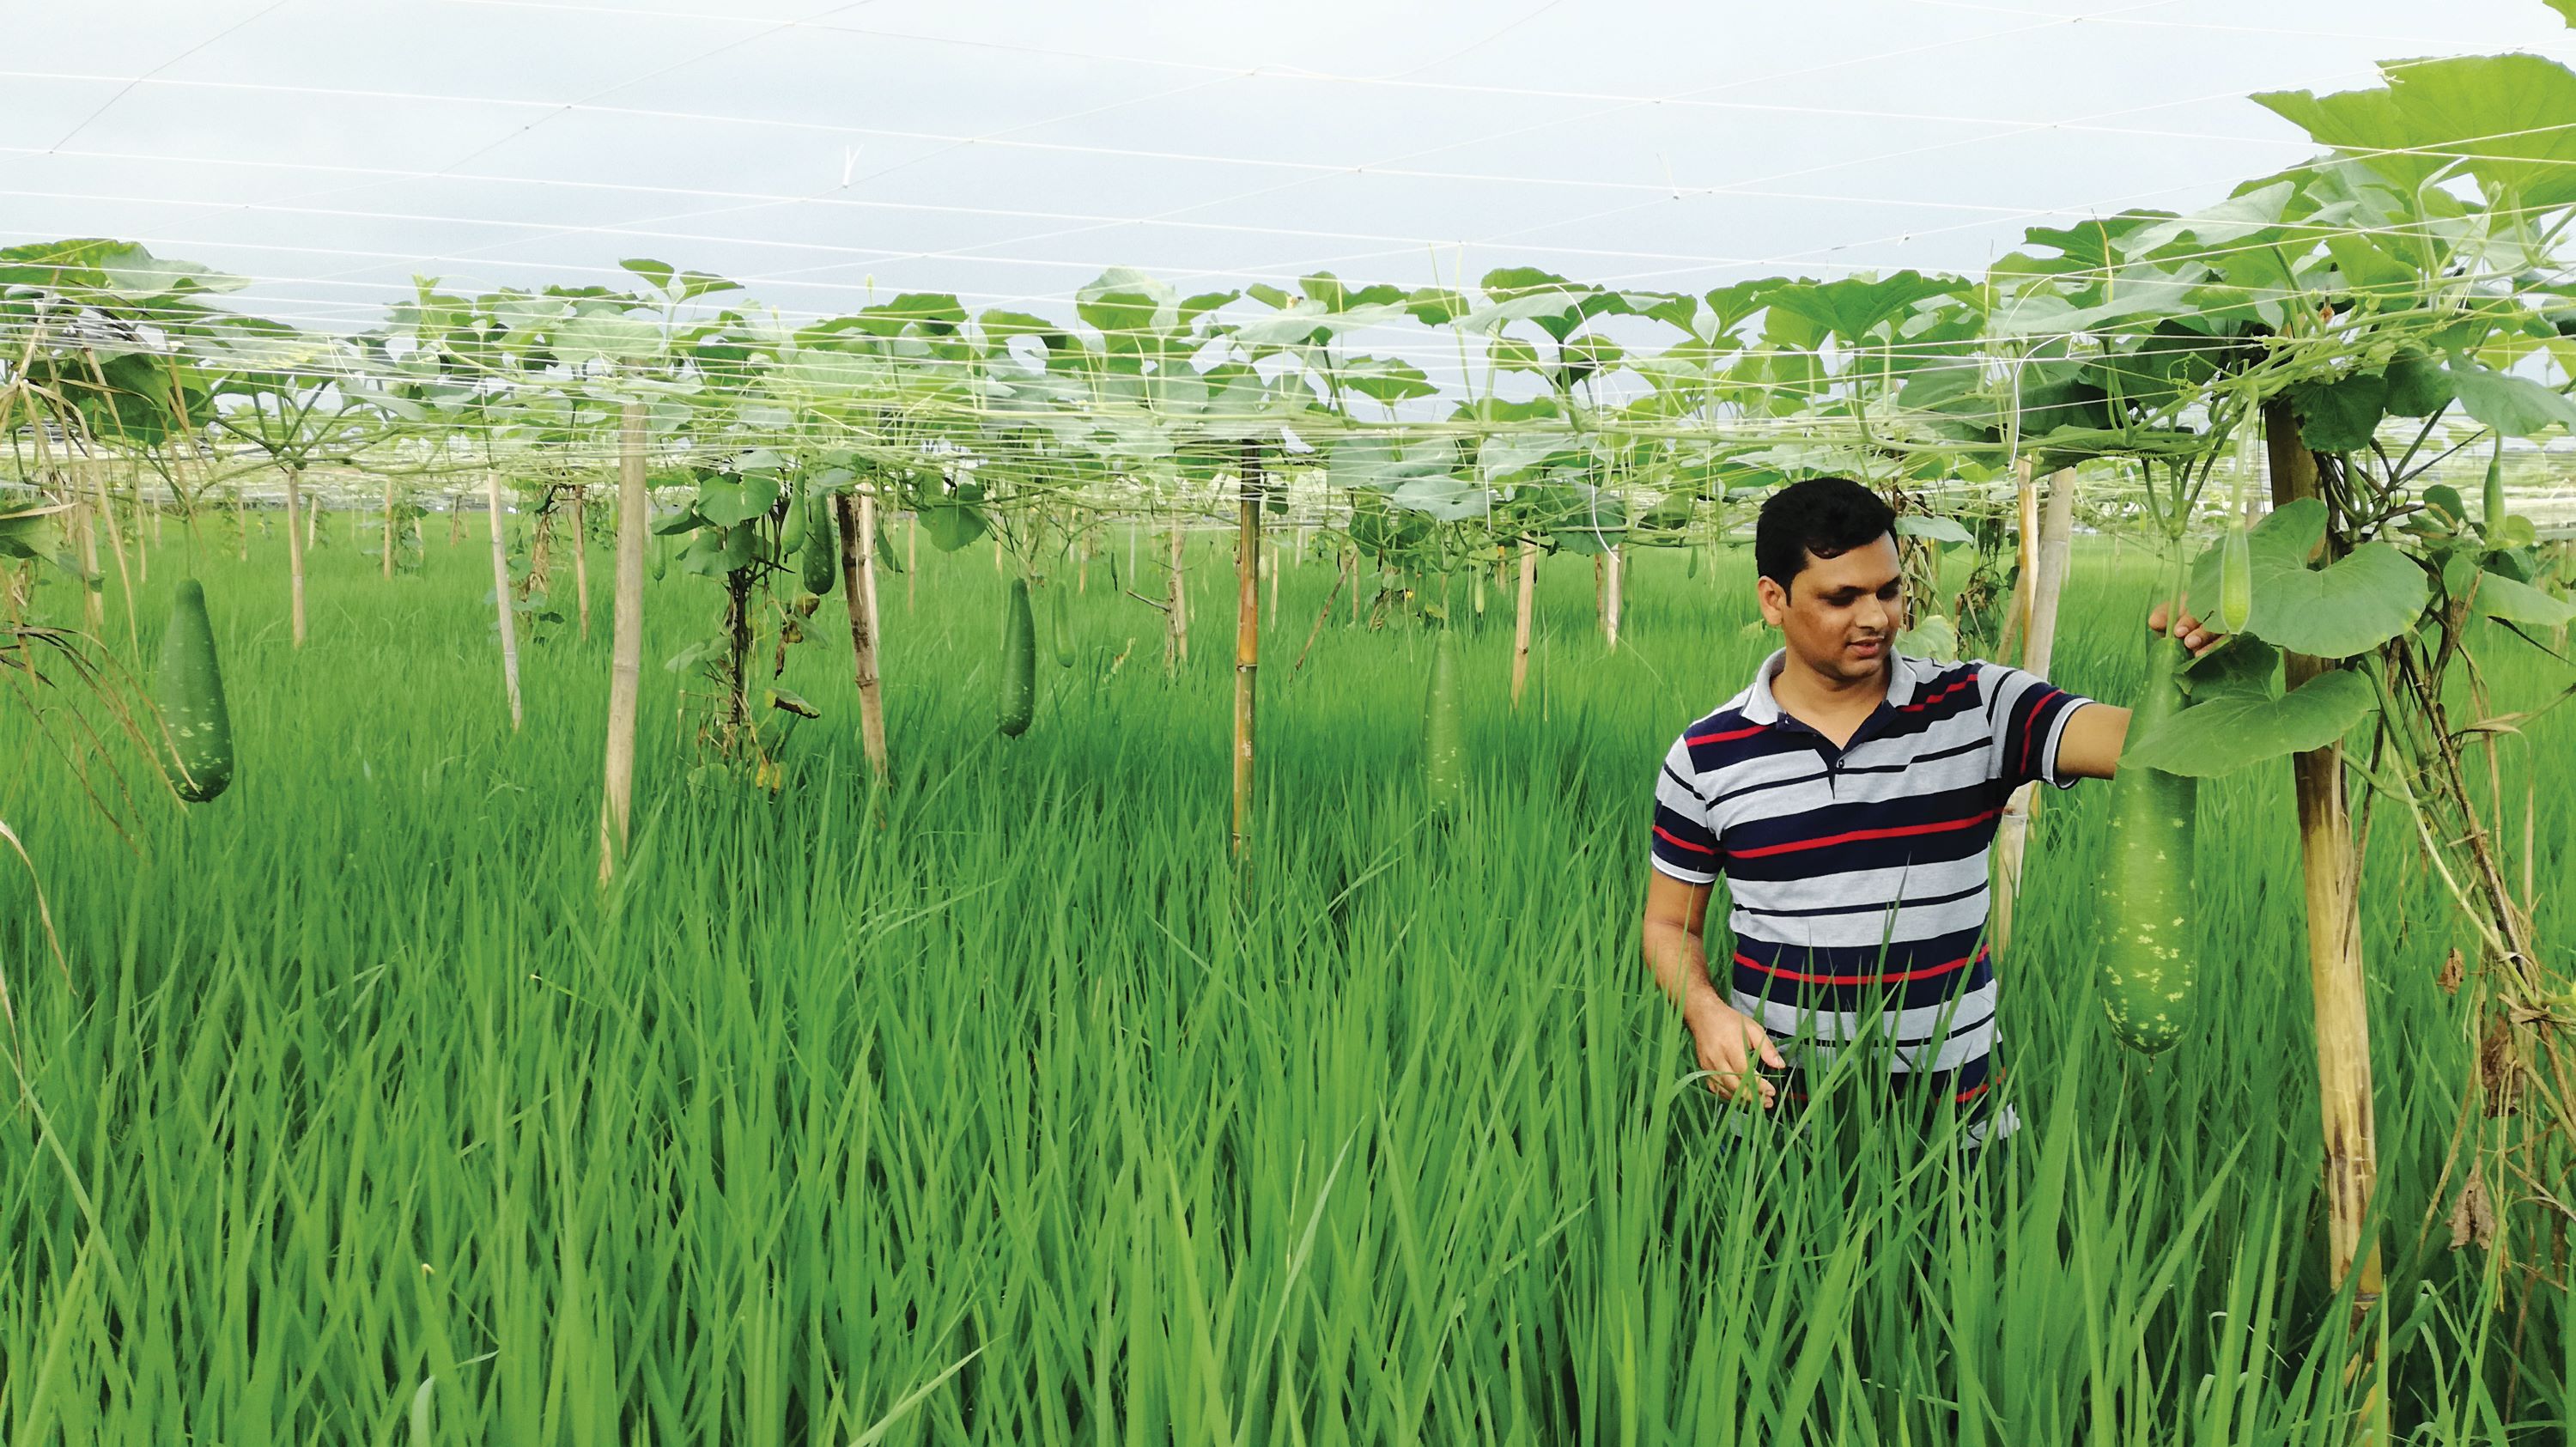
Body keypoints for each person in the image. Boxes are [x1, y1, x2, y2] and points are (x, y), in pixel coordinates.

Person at [1639, 476, 2220, 1146]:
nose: (1877, 617)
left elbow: (2143, 748)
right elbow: (1667, 925)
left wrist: (2183, 666)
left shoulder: (1979, 707)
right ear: (1774, 598)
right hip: (1780, 1122)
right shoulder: (1707, 754)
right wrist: (1704, 1011)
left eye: (1889, 589)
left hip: (1957, 1122)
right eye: (1842, 597)